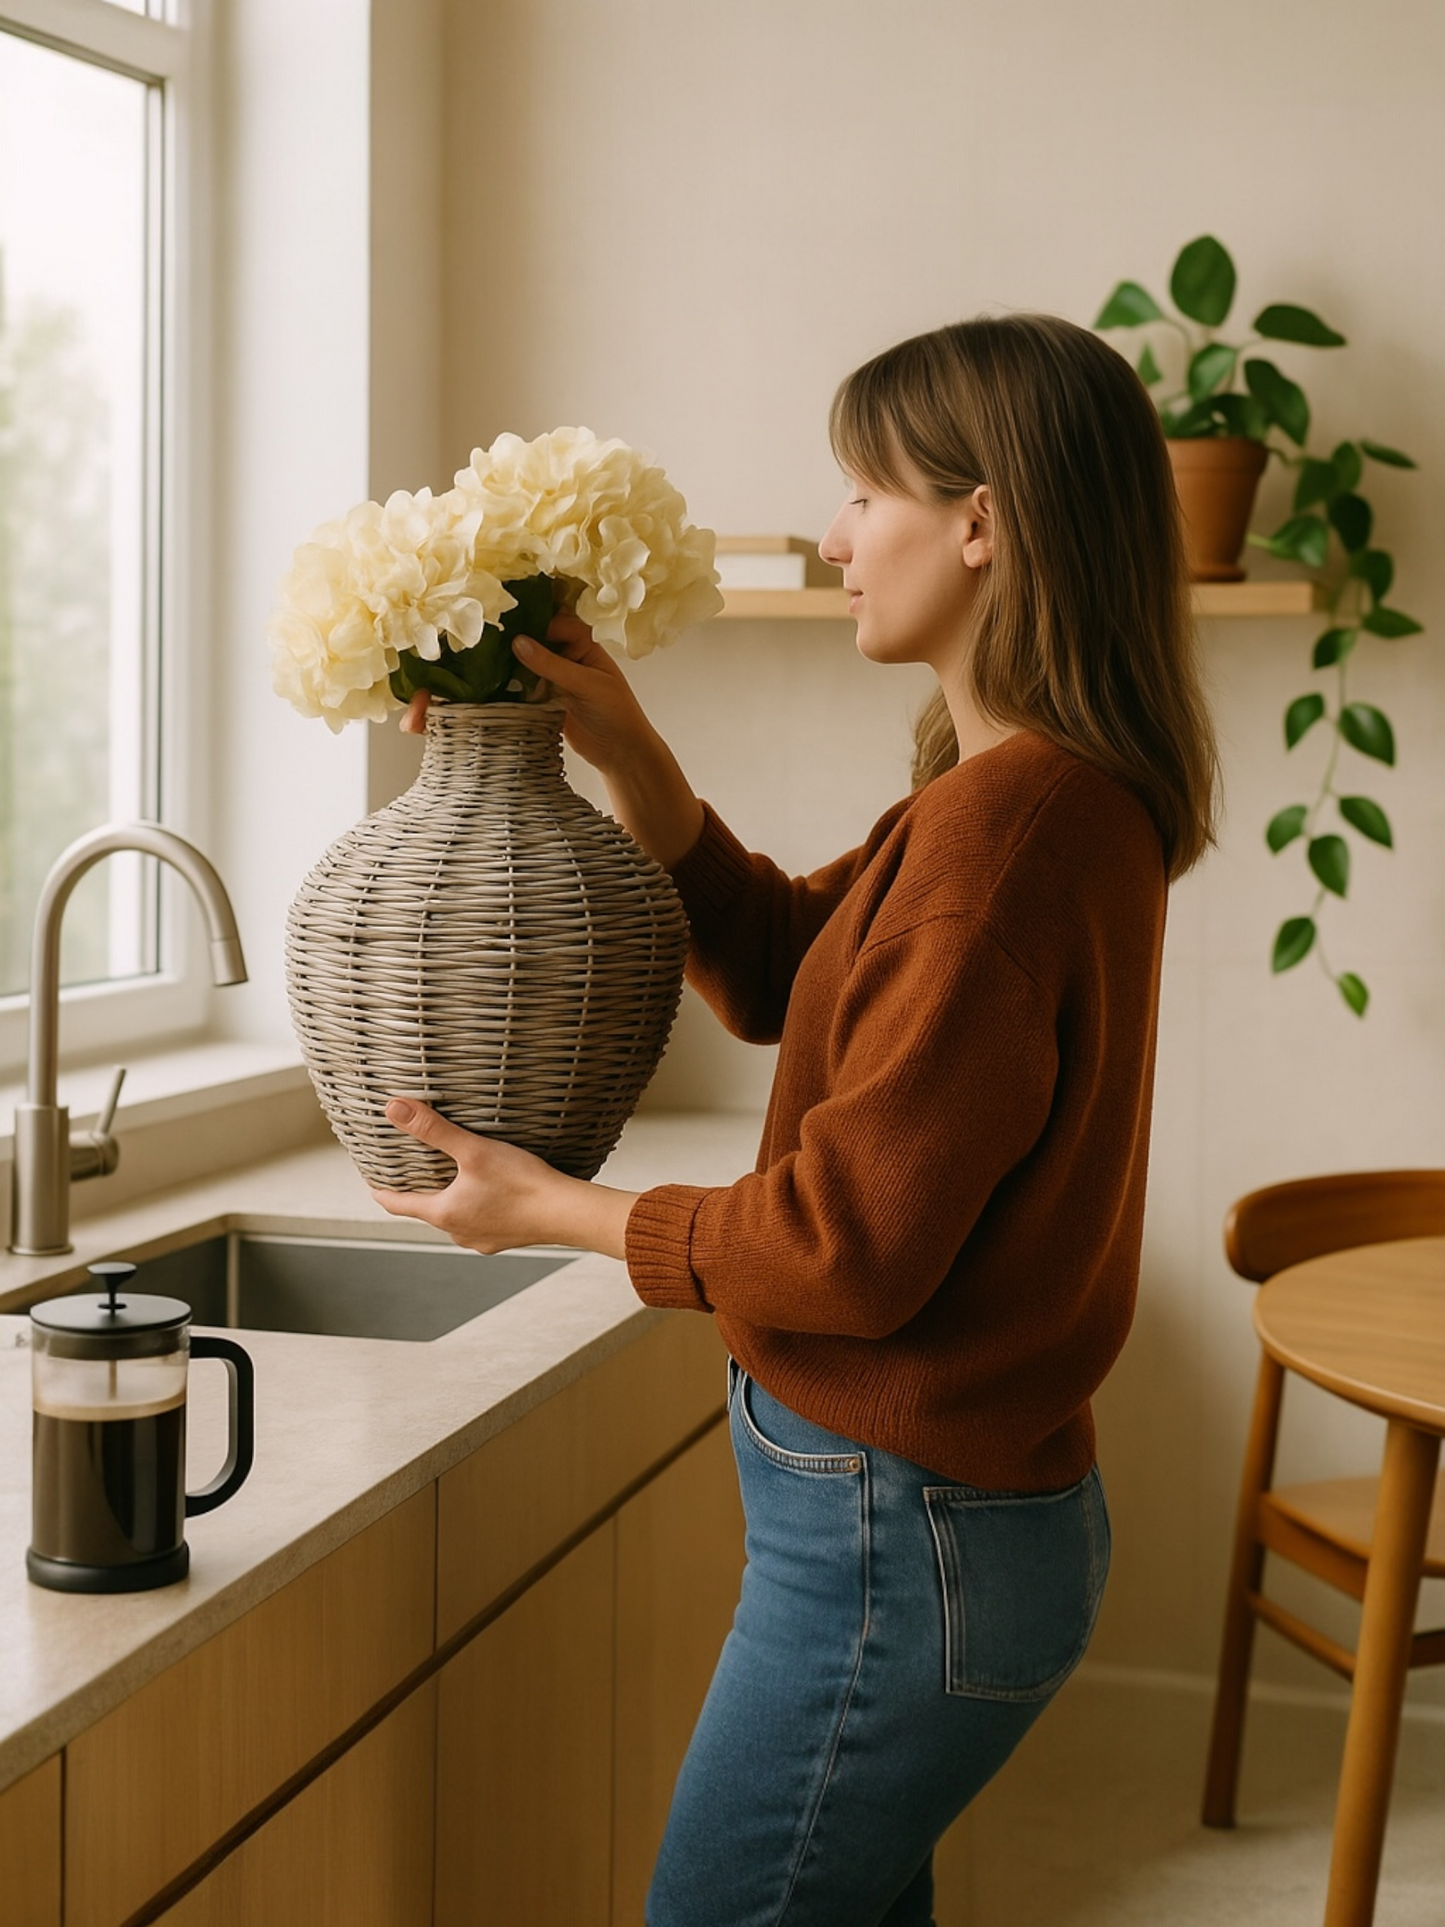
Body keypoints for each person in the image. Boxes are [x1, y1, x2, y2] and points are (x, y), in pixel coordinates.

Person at [372, 312, 1218, 1927]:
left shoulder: (1005, 840)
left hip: (900, 1546)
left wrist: (545, 1207)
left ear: (983, 522)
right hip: (931, 1525)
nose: (833, 535)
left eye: (861, 492)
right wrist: (624, 742)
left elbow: (848, 1248)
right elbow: (782, 966)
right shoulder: (1028, 798)